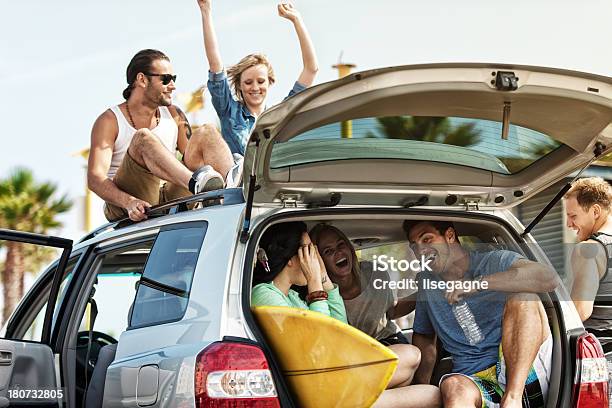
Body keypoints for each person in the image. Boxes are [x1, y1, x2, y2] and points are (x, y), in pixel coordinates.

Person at [253, 222, 440, 408]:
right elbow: (322, 339)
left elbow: (338, 327)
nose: (315, 259)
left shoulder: (292, 296)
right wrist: (315, 282)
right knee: (430, 393)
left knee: (415, 360)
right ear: (292, 259)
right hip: (320, 385)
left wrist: (323, 278)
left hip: (331, 375)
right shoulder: (264, 293)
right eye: (311, 251)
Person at [404, 220, 558, 408]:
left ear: (450, 236)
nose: (420, 251)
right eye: (414, 246)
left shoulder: (495, 261)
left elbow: (547, 278)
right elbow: (425, 338)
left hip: (524, 372)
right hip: (474, 381)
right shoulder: (427, 284)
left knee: (524, 295)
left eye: (427, 240)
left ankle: (513, 399)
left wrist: (476, 284)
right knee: (453, 385)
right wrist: (422, 386)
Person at [88, 49, 237, 222]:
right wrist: (128, 202)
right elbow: (95, 178)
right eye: (165, 79)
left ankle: (234, 190)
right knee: (142, 138)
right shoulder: (110, 120)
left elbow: (194, 156)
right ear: (142, 79)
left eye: (174, 79)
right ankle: (197, 183)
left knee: (207, 132)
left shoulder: (174, 115)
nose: (172, 85)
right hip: (127, 202)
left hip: (167, 196)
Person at [310, 223, 441, 408]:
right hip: (353, 357)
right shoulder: (320, 293)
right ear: (319, 261)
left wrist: (423, 293)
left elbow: (391, 310)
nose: (338, 253)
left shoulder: (374, 272)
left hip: (389, 342)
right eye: (328, 251)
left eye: (341, 245)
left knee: (414, 361)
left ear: (349, 247)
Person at [196, 0, 318, 158]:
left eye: (260, 81)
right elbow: (215, 63)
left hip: (269, 179)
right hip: (238, 177)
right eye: (248, 82)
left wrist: (297, 20)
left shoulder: (279, 114)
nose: (255, 87)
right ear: (239, 86)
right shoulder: (229, 110)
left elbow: (311, 69)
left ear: (270, 82)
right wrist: (206, 11)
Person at [564, 177, 612, 348]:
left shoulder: (589, 250)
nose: (569, 224)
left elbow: (579, 311)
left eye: (573, 216)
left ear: (595, 211)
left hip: (600, 359)